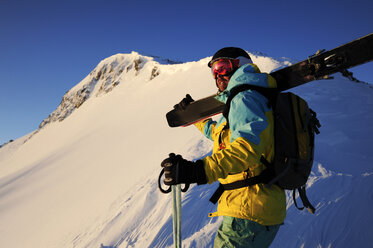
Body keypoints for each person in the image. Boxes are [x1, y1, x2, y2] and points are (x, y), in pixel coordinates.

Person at [161, 47, 286, 247]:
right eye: (213, 70)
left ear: (240, 65)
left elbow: (246, 149)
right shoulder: (251, 97)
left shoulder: (244, 98)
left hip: (247, 209)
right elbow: (221, 135)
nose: (217, 74)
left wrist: (197, 171)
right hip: (258, 208)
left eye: (222, 66)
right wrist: (196, 118)